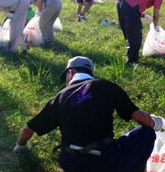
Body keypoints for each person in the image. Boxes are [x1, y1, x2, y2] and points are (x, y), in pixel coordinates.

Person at [14, 56, 160, 172]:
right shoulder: (106, 86)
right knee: (147, 133)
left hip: (70, 163)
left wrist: (21, 146)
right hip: (105, 160)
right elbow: (142, 119)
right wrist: (157, 123)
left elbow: (27, 130)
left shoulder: (59, 98)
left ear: (70, 73)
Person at [116, 0, 165, 65]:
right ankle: (132, 62)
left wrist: (143, 15)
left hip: (120, 2)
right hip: (129, 4)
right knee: (135, 35)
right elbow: (156, 14)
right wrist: (155, 26)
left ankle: (130, 55)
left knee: (129, 33)